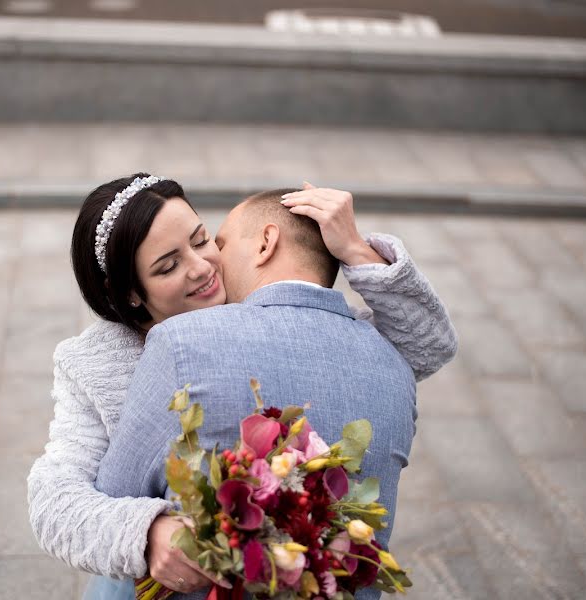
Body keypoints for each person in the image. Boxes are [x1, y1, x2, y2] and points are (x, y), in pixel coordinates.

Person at [26, 174, 457, 598]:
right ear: (130, 293)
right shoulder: (95, 361)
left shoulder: (263, 304)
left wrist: (355, 251)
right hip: (141, 574)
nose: (202, 268)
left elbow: (426, 346)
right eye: (169, 265)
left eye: (202, 240)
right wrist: (146, 531)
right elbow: (57, 497)